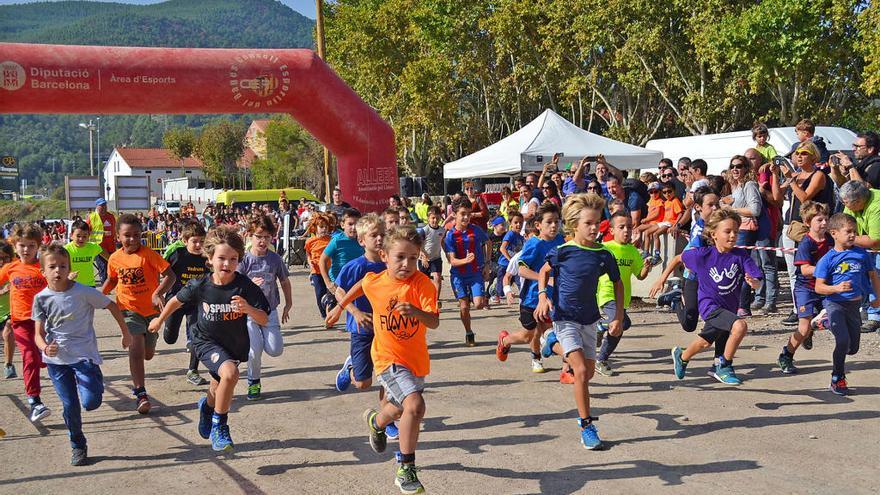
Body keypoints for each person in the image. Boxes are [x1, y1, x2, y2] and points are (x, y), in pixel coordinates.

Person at [330, 226, 439, 495]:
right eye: (400, 257)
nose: (407, 264)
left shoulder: (422, 284)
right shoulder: (376, 281)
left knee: (399, 409)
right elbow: (359, 286)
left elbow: (434, 321)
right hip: (386, 357)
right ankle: (406, 468)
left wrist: (415, 311)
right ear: (384, 256)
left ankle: (376, 423)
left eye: (413, 258)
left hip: (414, 360)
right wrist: (339, 308)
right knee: (415, 405)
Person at [149, 226, 270, 451]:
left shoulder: (245, 286)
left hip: (233, 343)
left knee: (218, 386)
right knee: (230, 374)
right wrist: (160, 320)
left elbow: (263, 318)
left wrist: (248, 309)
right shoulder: (200, 285)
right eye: (222, 258)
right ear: (210, 258)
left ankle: (206, 407)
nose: (227, 264)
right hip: (205, 341)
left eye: (233, 259)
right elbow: (176, 300)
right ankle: (220, 426)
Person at [536, 193, 622, 449]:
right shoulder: (562, 251)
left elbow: (617, 283)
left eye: (597, 222)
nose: (594, 228)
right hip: (565, 317)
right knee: (581, 372)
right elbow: (543, 271)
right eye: (588, 223)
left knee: (590, 373)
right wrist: (543, 297)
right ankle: (586, 425)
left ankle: (551, 342)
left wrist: (618, 314)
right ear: (575, 225)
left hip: (589, 319)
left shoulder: (603, 254)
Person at [32, 244, 131, 466]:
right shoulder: (41, 299)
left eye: (63, 266)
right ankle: (77, 444)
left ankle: (94, 381)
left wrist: (125, 333)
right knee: (70, 405)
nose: (58, 270)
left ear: (69, 268)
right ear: (43, 272)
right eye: (53, 266)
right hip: (56, 362)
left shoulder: (83, 292)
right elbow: (38, 334)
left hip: (83, 357)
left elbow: (112, 306)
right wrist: (45, 348)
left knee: (90, 402)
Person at [671, 209, 762, 385]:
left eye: (736, 231)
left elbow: (756, 277)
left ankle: (682, 357)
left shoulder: (741, 255)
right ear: (714, 234)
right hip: (709, 306)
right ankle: (724, 365)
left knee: (705, 343)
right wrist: (662, 279)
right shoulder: (702, 255)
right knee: (740, 326)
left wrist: (755, 283)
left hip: (729, 307)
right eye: (727, 231)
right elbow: (680, 258)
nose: (733, 235)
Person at [101, 214, 177, 414]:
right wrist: (97, 296)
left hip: (151, 312)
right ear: (118, 236)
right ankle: (141, 393)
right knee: (135, 350)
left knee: (147, 354)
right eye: (127, 235)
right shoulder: (115, 258)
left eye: (137, 235)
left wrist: (157, 293)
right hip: (128, 310)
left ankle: (148, 342)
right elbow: (112, 280)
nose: (133, 239)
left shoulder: (149, 255)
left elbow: (171, 275)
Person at [814, 213, 880, 394]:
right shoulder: (827, 259)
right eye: (848, 231)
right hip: (835, 304)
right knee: (842, 341)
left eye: (855, 232)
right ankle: (838, 378)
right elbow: (819, 287)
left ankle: (825, 321)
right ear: (834, 233)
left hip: (854, 305)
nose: (853, 235)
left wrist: (877, 298)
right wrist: (836, 288)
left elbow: (873, 276)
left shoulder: (861, 254)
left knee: (853, 348)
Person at [497, 202, 564, 374]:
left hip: (550, 298)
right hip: (531, 298)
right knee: (529, 335)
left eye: (557, 221)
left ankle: (564, 367)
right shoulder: (534, 244)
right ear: (538, 225)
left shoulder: (560, 240)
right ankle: (505, 340)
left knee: (549, 331)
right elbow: (521, 270)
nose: (554, 225)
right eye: (549, 222)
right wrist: (545, 279)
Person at [326, 214, 387, 391]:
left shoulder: (391, 263)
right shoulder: (356, 266)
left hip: (386, 326)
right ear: (361, 241)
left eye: (382, 234)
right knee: (363, 383)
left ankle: (388, 417)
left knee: (388, 375)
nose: (379, 239)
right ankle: (350, 367)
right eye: (374, 235)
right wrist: (354, 312)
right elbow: (339, 291)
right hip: (361, 328)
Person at [650, 187, 720, 335]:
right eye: (711, 205)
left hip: (712, 279)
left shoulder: (720, 224)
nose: (716, 208)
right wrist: (661, 280)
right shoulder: (700, 234)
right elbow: (678, 258)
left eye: (717, 204)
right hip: (694, 278)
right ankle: (675, 300)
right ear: (698, 207)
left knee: (715, 313)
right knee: (689, 324)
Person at [238, 215, 292, 401]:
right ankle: (254, 382)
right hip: (249, 314)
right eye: (258, 236)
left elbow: (284, 281)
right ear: (249, 236)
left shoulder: (275, 259)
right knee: (254, 351)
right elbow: (234, 284)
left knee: (276, 350)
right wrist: (249, 283)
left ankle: (260, 340)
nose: (262, 241)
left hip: (270, 311)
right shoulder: (244, 260)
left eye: (267, 237)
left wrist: (288, 303)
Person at [0, 223, 50, 422]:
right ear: (14, 245)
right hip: (20, 322)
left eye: (31, 245)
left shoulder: (44, 267)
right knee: (29, 357)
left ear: (38, 246)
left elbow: (57, 284)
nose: (26, 250)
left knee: (43, 359)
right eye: (22, 245)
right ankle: (35, 401)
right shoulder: (10, 268)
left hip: (44, 322)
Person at [594, 212, 654, 376]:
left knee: (621, 326)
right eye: (621, 227)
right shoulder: (605, 249)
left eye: (629, 227)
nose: (626, 230)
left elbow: (639, 275)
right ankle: (601, 354)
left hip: (623, 298)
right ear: (612, 230)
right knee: (621, 324)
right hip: (607, 294)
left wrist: (646, 267)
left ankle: (602, 337)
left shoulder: (633, 251)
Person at [780, 141, 831, 327]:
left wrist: (792, 181)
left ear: (813, 156)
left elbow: (804, 198)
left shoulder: (818, 176)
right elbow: (778, 198)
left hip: (813, 230)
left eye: (803, 153)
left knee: (814, 268)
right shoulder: (796, 175)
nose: (799, 156)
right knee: (794, 271)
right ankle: (798, 309)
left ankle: (819, 306)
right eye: (797, 154)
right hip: (794, 227)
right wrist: (773, 177)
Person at [777, 201, 830, 374]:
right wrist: (827, 270)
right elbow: (805, 270)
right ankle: (786, 355)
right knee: (803, 327)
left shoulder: (830, 239)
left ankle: (814, 328)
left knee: (836, 317)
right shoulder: (806, 243)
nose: (824, 223)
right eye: (819, 220)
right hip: (805, 288)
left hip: (824, 288)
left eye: (826, 219)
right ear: (808, 223)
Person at [163, 221, 209, 386]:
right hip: (175, 301)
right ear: (185, 241)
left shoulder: (207, 258)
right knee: (170, 339)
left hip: (196, 303)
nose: (198, 245)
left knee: (197, 333)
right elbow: (160, 271)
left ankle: (193, 370)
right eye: (194, 241)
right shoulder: (177, 255)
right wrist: (158, 294)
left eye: (201, 241)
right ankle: (172, 333)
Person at [444, 197, 491, 346]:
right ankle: (469, 332)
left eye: (469, 214)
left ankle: (472, 294)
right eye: (463, 214)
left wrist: (487, 264)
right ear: (455, 214)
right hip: (458, 275)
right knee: (464, 307)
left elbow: (488, 242)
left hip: (475, 273)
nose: (466, 217)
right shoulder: (450, 235)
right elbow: (452, 261)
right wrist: (466, 260)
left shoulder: (476, 230)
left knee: (478, 304)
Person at [721, 155, 763, 317]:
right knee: (736, 268)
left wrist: (732, 210)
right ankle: (738, 304)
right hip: (737, 229)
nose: (735, 169)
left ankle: (743, 306)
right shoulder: (738, 187)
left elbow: (755, 210)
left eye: (739, 166)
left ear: (746, 168)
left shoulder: (750, 185)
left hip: (746, 230)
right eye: (732, 166)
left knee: (744, 269)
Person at [837, 180, 880, 333]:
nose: (844, 204)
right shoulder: (852, 203)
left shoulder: (876, 206)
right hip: (869, 249)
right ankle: (868, 312)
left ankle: (874, 317)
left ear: (859, 201)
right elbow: (844, 224)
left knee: (877, 279)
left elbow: (875, 240)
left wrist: (847, 238)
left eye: (846, 202)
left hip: (877, 248)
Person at [319, 208, 364, 314]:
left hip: (356, 280)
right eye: (350, 224)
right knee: (331, 308)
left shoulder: (363, 240)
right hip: (337, 281)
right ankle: (328, 303)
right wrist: (328, 283)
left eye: (356, 224)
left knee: (356, 308)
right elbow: (322, 261)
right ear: (343, 225)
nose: (353, 228)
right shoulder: (337, 241)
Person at [305, 213, 334, 318]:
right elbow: (308, 254)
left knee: (331, 292)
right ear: (315, 228)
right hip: (316, 271)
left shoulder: (331, 240)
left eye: (326, 227)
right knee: (319, 293)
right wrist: (310, 263)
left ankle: (330, 311)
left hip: (329, 270)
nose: (324, 229)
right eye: (321, 227)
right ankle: (324, 314)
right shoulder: (310, 241)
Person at [64, 220, 108, 288]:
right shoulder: (65, 250)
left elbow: (110, 259)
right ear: (71, 235)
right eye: (78, 236)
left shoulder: (93, 247)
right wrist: (68, 275)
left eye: (84, 236)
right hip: (71, 285)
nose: (81, 239)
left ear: (89, 236)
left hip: (89, 286)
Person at [418, 206, 446, 301]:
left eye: (437, 218)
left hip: (436, 258)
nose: (435, 220)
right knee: (423, 281)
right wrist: (424, 257)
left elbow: (442, 242)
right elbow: (418, 246)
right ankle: (423, 298)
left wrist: (448, 254)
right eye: (433, 218)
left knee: (437, 278)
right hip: (424, 259)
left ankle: (435, 300)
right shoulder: (424, 231)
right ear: (428, 218)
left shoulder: (442, 230)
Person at [88, 198, 116, 284]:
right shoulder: (91, 217)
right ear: (97, 206)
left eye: (105, 205)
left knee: (111, 265)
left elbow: (115, 228)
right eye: (101, 206)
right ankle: (105, 286)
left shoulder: (111, 216)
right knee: (103, 266)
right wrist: (103, 233)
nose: (104, 207)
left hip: (111, 246)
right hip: (99, 246)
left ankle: (111, 283)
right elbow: (87, 232)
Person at [497, 212, 524, 303]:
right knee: (500, 291)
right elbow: (502, 248)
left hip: (515, 267)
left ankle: (523, 299)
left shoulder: (521, 237)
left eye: (521, 222)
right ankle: (492, 288)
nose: (518, 225)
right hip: (504, 265)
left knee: (520, 283)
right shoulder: (510, 234)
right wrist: (511, 260)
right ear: (510, 223)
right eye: (516, 222)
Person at [1, 241, 16, 380]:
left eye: (6, 257)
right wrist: (2, 291)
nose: (2, 261)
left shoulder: (14, 270)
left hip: (9, 311)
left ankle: (8, 364)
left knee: (7, 332)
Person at [488, 217, 507, 303]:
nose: (504, 227)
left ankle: (496, 293)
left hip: (502, 260)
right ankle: (490, 294)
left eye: (505, 225)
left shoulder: (506, 236)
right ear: (495, 226)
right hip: (493, 260)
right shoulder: (490, 237)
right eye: (502, 225)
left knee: (499, 277)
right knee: (494, 278)